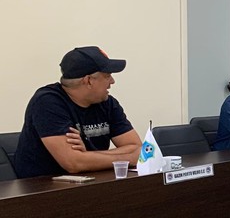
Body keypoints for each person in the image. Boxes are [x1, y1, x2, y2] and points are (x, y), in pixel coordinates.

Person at [14, 46, 141, 178]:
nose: (112, 81)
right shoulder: (47, 102)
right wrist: (129, 159)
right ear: (88, 81)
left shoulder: (107, 103)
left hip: (92, 181)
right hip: (42, 187)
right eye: (107, 76)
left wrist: (87, 156)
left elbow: (137, 148)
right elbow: (74, 164)